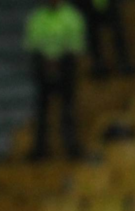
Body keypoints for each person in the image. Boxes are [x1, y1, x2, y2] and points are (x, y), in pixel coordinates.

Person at [26, 0, 88, 160]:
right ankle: (40, 148)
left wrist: (59, 60)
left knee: (68, 109)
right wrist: (47, 61)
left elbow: (75, 44)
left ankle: (71, 145)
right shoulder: (37, 17)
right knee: (42, 111)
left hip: (66, 65)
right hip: (43, 66)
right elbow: (33, 43)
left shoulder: (71, 16)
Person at [75, 0, 132, 77]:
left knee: (117, 33)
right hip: (89, 7)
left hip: (109, 6)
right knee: (93, 36)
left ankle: (123, 62)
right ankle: (98, 64)